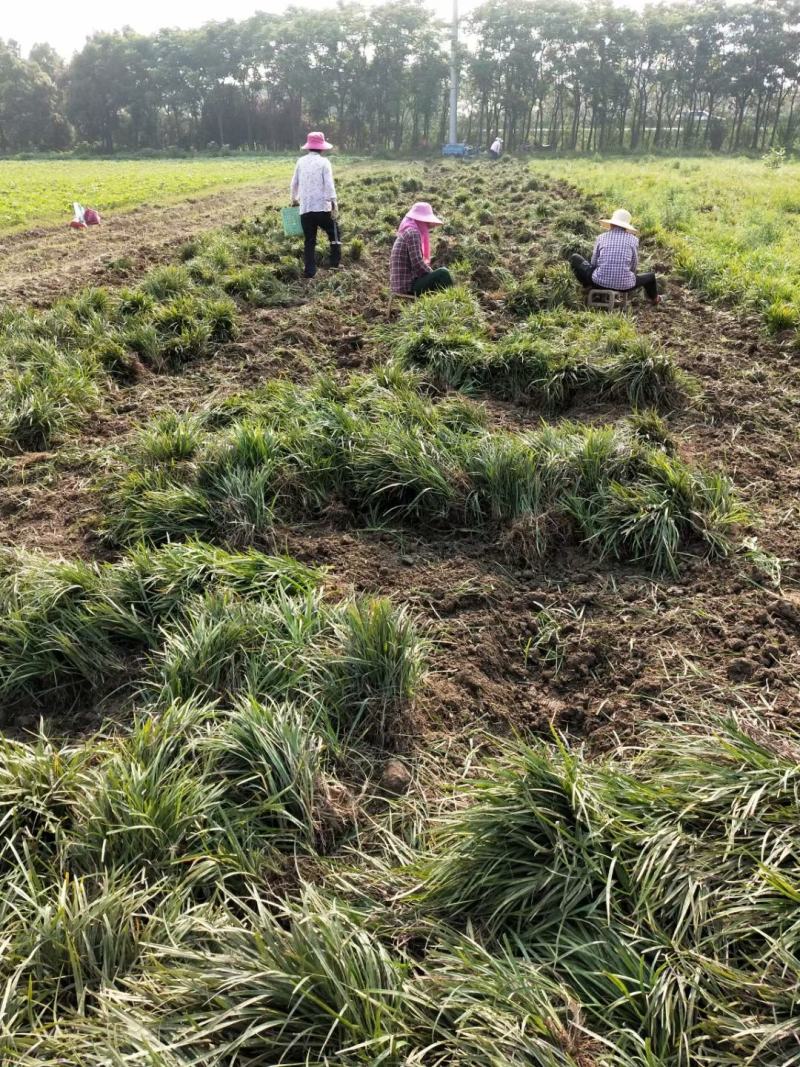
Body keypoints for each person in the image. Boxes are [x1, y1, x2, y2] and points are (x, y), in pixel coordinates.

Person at [569, 208, 661, 304]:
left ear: (611, 224)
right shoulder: (633, 240)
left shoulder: (601, 237)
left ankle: (587, 286)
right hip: (625, 286)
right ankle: (655, 299)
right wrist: (629, 275)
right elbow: (634, 264)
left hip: (598, 282)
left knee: (575, 257)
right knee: (650, 277)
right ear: (626, 227)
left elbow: (594, 262)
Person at [290, 131, 341, 279]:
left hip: (305, 209)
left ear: (308, 147)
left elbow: (294, 183)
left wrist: (294, 199)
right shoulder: (324, 162)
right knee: (334, 231)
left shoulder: (300, 161)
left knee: (309, 240)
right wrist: (333, 204)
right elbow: (329, 184)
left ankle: (310, 271)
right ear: (322, 148)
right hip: (322, 208)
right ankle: (334, 263)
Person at [390, 202, 453, 297]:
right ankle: (452, 304)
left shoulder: (408, 231)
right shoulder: (413, 233)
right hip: (408, 286)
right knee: (443, 274)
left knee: (438, 276)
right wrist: (433, 274)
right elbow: (417, 263)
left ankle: (439, 306)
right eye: (426, 222)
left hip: (401, 285)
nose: (428, 226)